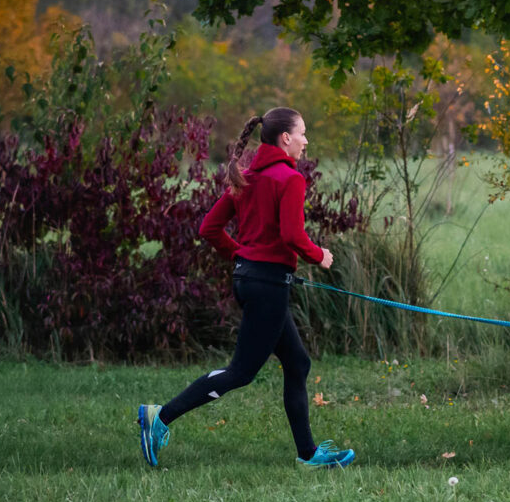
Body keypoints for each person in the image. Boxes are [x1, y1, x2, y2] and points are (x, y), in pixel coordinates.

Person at [137, 107, 355, 469]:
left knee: (297, 363)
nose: (306, 140)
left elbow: (209, 228)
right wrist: (319, 256)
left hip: (254, 281)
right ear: (285, 138)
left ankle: (308, 454)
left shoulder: (247, 177)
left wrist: (246, 259)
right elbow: (291, 235)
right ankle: (160, 417)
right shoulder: (289, 179)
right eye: (302, 133)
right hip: (266, 285)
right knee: (241, 372)